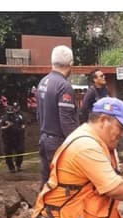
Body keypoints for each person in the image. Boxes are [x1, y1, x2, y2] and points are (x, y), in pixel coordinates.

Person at [36, 45, 79, 185]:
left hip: (44, 139)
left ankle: (42, 207)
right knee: (61, 184)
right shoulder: (63, 86)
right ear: (71, 63)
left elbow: (39, 114)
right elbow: (66, 121)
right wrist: (78, 142)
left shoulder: (43, 82)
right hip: (57, 143)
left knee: (46, 181)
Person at [0, 101, 27, 173]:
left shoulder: (18, 117)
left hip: (17, 137)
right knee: (8, 153)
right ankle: (11, 167)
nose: (11, 115)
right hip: (7, 139)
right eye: (9, 113)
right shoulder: (3, 118)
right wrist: (7, 126)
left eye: (12, 113)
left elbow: (23, 125)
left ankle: (18, 165)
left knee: (20, 151)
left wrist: (20, 129)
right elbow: (1, 128)